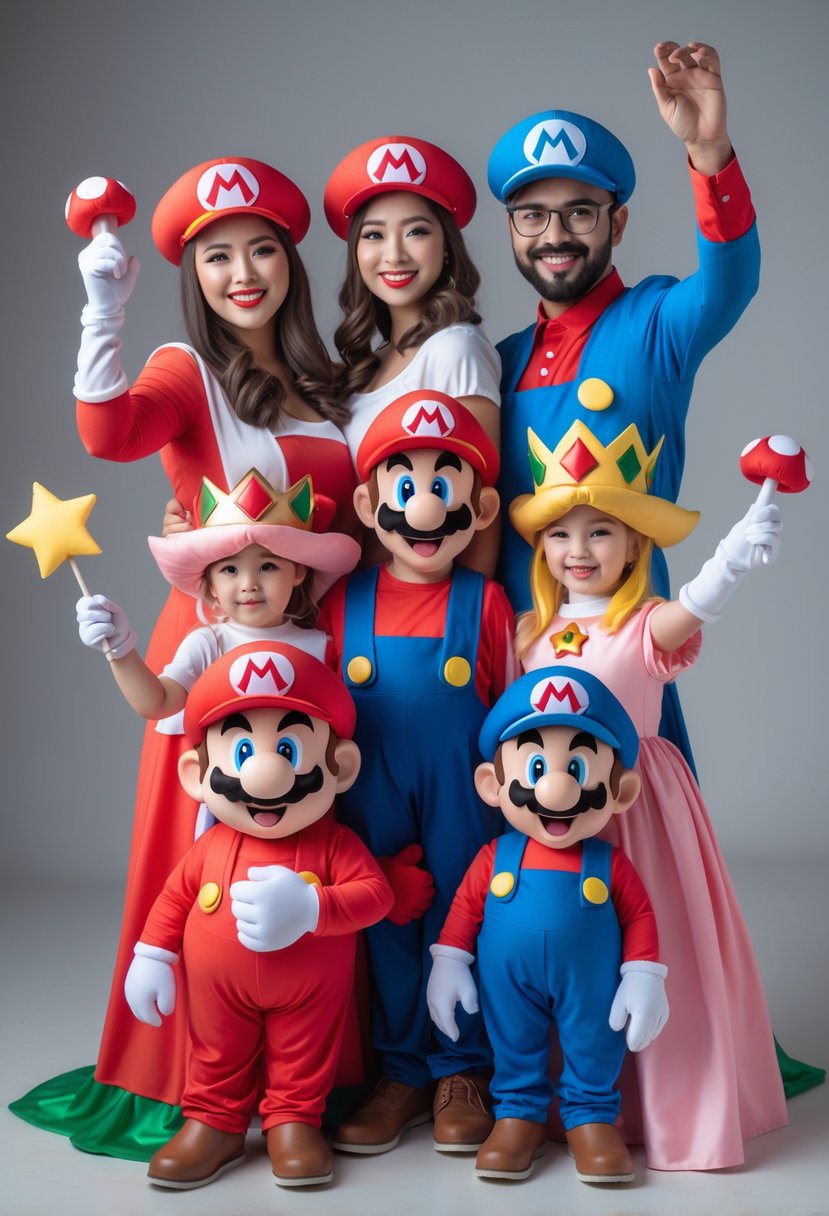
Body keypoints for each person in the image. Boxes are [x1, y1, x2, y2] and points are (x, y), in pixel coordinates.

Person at [10, 157, 360, 1159]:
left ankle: (310, 1075)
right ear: (190, 273)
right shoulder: (186, 370)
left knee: (317, 856)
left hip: (313, 655)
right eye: (216, 255)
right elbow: (108, 432)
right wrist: (99, 304)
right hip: (210, 662)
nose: (241, 271)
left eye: (259, 248)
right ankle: (195, 1088)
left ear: (290, 260)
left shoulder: (332, 382)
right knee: (199, 866)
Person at [508, 418, 788, 1169]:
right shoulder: (522, 633)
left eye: (600, 532)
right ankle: (565, 1100)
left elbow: (691, 607)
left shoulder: (639, 627)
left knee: (649, 943)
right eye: (561, 534)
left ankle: (666, 1106)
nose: (578, 551)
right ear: (540, 548)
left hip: (639, 813)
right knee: (564, 952)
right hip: (552, 820)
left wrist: (729, 559)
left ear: (634, 545)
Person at [489, 41, 758, 769]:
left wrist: (710, 156)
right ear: (510, 229)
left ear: (618, 222)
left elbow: (727, 282)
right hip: (510, 634)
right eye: (531, 215)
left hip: (620, 624)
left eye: (578, 211)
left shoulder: (655, 323)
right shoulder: (499, 358)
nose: (553, 235)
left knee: (632, 826)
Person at [318, 391, 517, 1155]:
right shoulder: (344, 601)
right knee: (387, 922)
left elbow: (507, 711)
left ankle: (462, 1069)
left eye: (445, 486)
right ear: (370, 504)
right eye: (406, 488)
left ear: (481, 504)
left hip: (464, 802)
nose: (426, 510)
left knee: (463, 923)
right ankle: (400, 1070)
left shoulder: (487, 602)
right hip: (372, 800)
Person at [123, 640, 393, 1190]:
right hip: (215, 989)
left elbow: (376, 896)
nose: (265, 775)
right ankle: (214, 1121)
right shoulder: (210, 846)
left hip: (310, 989)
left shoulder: (335, 844)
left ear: (338, 767)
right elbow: (175, 899)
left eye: (289, 750)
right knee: (215, 1047)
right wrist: (150, 956)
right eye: (242, 753)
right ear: (198, 774)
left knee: (305, 1051)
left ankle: (294, 1121)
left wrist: (314, 907)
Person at [427, 667, 668, 1185]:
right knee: (512, 1039)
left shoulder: (611, 863)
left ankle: (592, 1119)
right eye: (536, 766)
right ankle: (517, 1115)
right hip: (507, 983)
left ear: (620, 791)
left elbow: (640, 916)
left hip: (591, 982)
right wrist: (448, 962)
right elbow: (465, 912)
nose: (556, 788)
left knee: (592, 1041)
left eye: (578, 769)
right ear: (493, 785)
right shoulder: (495, 857)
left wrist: (644, 975)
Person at [324, 134, 502, 572]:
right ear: (357, 253)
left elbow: (481, 504)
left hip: (429, 619)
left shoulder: (455, 350)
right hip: (357, 611)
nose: (394, 253)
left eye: (416, 231)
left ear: (446, 247)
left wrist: (470, 617)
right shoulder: (364, 369)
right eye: (374, 234)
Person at [75, 468, 360, 734]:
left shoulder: (322, 648)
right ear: (211, 587)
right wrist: (120, 648)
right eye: (230, 570)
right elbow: (157, 702)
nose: (249, 584)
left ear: (298, 571)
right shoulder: (209, 645)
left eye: (268, 567)